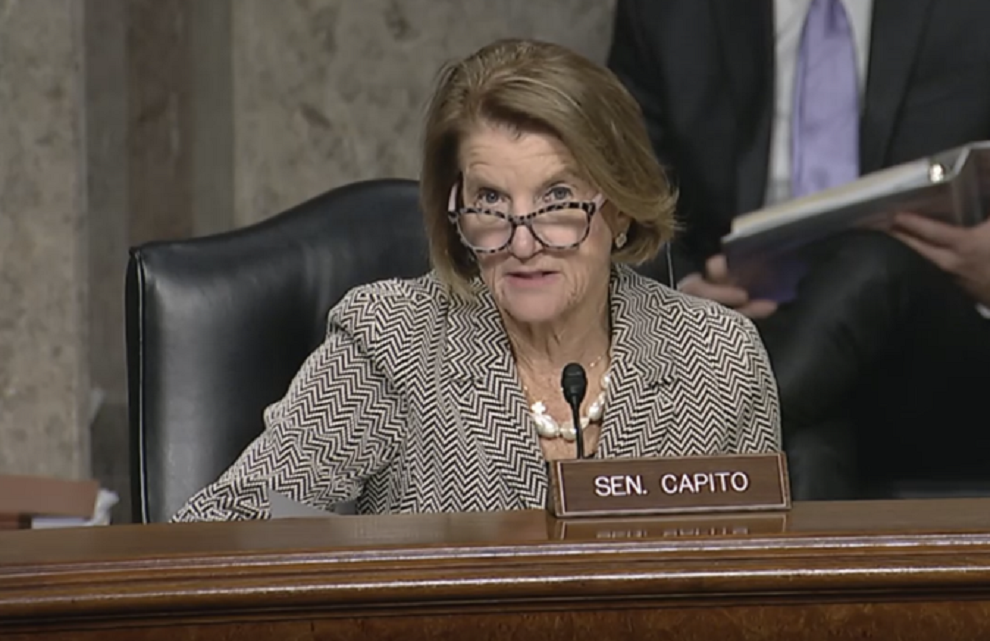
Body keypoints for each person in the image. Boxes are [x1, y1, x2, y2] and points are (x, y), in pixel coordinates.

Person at [173, 38, 781, 521]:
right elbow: (225, 529)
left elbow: (759, 587)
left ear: (619, 208)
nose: (523, 243)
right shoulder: (391, 342)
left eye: (557, 199)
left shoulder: (717, 357)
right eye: (490, 200)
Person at [607, 0, 990, 500]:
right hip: (747, 327)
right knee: (810, 447)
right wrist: (682, 291)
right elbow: (621, 194)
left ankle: (676, 463)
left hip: (939, 347)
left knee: (870, 268)